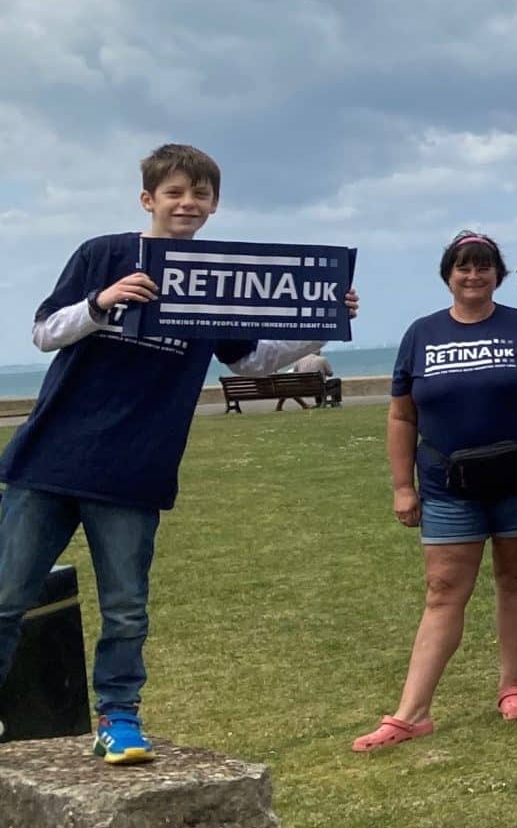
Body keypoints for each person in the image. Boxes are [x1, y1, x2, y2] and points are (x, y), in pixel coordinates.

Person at [0, 144, 354, 764]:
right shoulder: (103, 254)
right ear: (149, 199)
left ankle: (118, 717)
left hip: (136, 469)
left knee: (126, 609)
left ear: (214, 205)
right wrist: (100, 303)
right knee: (6, 596)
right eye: (174, 192)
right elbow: (43, 330)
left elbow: (249, 360)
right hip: (49, 459)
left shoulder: (216, 278)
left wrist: (322, 322)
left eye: (200, 194)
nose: (187, 203)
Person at [356, 231, 517, 752]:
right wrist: (403, 487)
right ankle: (411, 712)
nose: (474, 275)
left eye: (484, 266)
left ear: (497, 274)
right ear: (448, 274)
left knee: (515, 579)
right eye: (464, 267)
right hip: (447, 485)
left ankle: (513, 684)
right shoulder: (422, 334)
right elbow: (401, 414)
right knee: (443, 591)